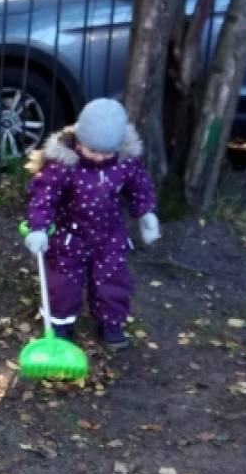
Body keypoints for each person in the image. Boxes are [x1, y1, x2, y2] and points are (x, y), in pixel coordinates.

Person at [23, 97, 160, 348]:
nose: (99, 157)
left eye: (106, 152)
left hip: (109, 236)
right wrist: (39, 228)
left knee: (112, 281)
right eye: (93, 151)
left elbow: (140, 187)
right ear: (79, 142)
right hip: (69, 237)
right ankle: (60, 325)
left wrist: (146, 214)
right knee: (62, 284)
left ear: (119, 146)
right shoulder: (64, 165)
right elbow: (43, 196)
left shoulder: (124, 162)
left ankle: (111, 323)